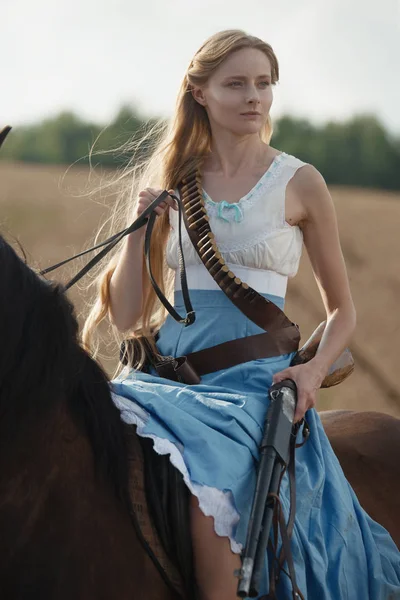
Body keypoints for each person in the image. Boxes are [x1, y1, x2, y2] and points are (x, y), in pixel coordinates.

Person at [83, 29, 400, 600]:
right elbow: (129, 316)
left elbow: (343, 312)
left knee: (212, 513)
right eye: (236, 84)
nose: (255, 97)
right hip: (164, 384)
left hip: (254, 389)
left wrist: (310, 372)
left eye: (264, 83)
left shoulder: (300, 182)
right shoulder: (170, 180)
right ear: (200, 92)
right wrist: (141, 235)